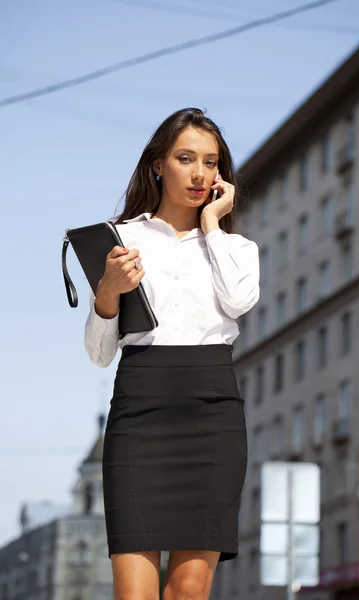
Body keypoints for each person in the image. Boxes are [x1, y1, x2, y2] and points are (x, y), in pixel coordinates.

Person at [84, 107, 260, 600]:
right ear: (159, 164)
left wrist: (211, 225)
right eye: (186, 158)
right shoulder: (121, 240)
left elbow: (238, 302)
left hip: (212, 412)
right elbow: (100, 353)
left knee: (187, 591)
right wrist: (108, 291)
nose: (200, 173)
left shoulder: (236, 247)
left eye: (211, 162)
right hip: (140, 410)